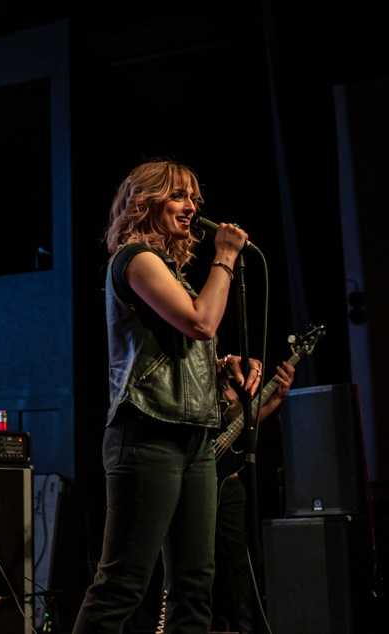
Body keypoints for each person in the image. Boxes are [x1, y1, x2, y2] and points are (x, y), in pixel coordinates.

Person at [73, 159, 261, 633]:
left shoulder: (174, 274)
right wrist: (224, 256)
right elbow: (201, 322)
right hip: (147, 434)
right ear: (146, 201)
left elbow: (179, 348)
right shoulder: (136, 260)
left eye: (195, 198)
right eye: (179, 196)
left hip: (195, 438)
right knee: (122, 585)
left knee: (195, 584)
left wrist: (221, 369)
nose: (192, 207)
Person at [212, 361, 294, 634]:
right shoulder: (204, 371)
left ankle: (249, 628)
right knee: (195, 561)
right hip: (196, 476)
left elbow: (244, 421)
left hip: (229, 482)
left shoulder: (227, 386)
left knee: (243, 560)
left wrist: (277, 397)